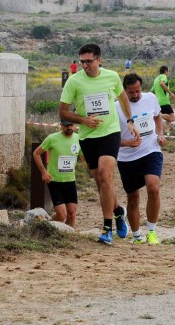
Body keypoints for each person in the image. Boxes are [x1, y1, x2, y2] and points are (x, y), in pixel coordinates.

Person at [59, 43, 140, 245]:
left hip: (109, 132)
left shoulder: (111, 76)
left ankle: (106, 228)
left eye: (89, 61)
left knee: (106, 174)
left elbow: (122, 98)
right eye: (82, 61)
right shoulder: (74, 82)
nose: (85, 65)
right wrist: (84, 121)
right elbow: (63, 112)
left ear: (99, 60)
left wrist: (129, 121)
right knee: (101, 182)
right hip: (87, 136)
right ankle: (118, 211)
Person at [116, 73, 166, 245]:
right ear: (124, 91)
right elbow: (111, 139)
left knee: (153, 187)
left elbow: (158, 118)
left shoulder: (151, 98)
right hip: (127, 157)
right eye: (131, 92)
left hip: (151, 150)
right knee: (133, 197)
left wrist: (160, 135)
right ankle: (137, 236)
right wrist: (128, 143)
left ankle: (151, 232)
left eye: (138, 91)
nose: (136, 95)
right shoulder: (116, 107)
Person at [33, 119, 83, 228]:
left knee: (72, 213)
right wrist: (43, 172)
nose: (69, 128)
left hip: (70, 180)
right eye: (66, 126)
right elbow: (36, 153)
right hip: (55, 181)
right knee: (61, 215)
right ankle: (44, 227)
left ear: (75, 126)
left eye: (71, 125)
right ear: (61, 126)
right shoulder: (52, 138)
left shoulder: (78, 138)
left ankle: (68, 237)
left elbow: (83, 157)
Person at [152, 66, 175, 135]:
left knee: (169, 118)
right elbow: (162, 84)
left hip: (158, 101)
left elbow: (152, 90)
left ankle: (167, 132)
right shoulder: (163, 76)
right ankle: (158, 115)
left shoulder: (156, 79)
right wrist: (170, 93)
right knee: (172, 118)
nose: (168, 73)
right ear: (165, 71)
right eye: (168, 71)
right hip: (164, 101)